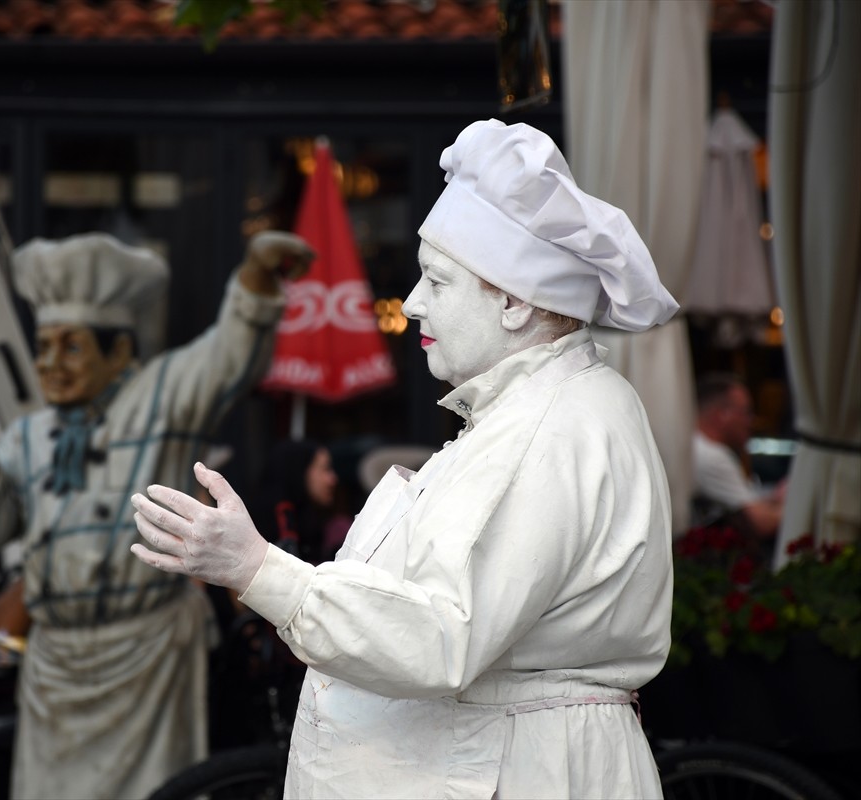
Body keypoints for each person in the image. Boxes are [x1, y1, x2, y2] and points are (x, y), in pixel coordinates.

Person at [129, 119, 679, 798]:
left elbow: (442, 635)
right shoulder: (530, 414)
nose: (413, 304)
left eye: (437, 281)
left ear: (510, 301)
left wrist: (257, 567)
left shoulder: (550, 426)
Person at [0, 230, 314, 800]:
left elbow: (229, 354)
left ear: (119, 353)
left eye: (71, 346)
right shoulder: (27, 437)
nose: (51, 365)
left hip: (146, 657)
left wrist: (257, 279)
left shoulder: (160, 397)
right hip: (53, 666)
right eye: (43, 347)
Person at [692, 372, 786, 538]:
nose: (751, 420)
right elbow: (763, 523)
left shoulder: (697, 445)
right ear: (722, 415)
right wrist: (798, 501)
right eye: (746, 411)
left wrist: (774, 498)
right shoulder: (711, 455)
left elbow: (744, 500)